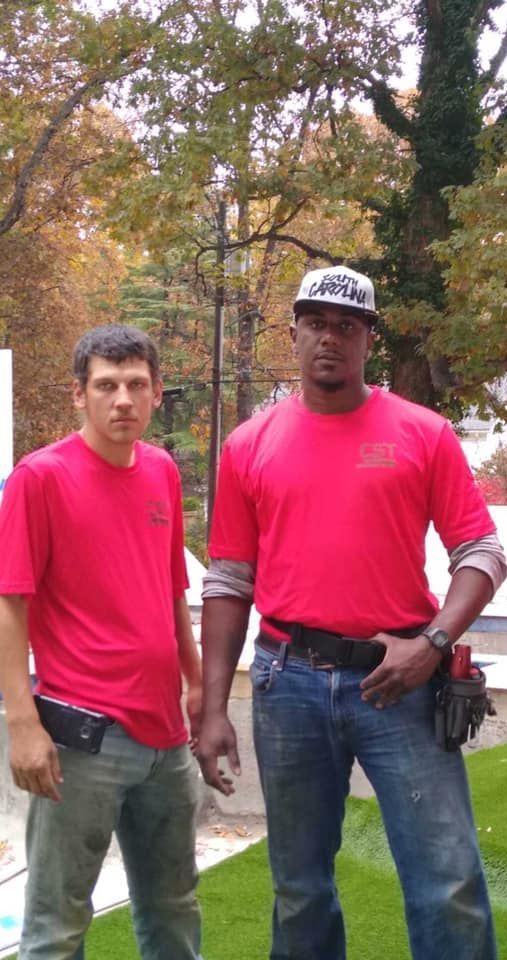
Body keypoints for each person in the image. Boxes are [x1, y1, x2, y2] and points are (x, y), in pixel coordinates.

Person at [196, 265, 507, 960]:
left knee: (447, 881)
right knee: (299, 887)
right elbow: (227, 580)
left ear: (370, 338)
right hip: (287, 683)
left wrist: (433, 642)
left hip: (400, 681)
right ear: (295, 334)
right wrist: (213, 707)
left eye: (346, 326)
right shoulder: (250, 444)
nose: (328, 339)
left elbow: (482, 551)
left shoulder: (422, 433)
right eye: (315, 325)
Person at [0, 325, 203, 960]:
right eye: (107, 386)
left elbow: (173, 590)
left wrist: (196, 683)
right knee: (56, 928)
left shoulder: (163, 472)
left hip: (165, 741)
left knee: (173, 910)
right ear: (79, 396)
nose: (123, 400)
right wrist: (22, 724)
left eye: (137, 385)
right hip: (82, 741)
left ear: (157, 393)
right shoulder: (41, 479)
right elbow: (10, 605)